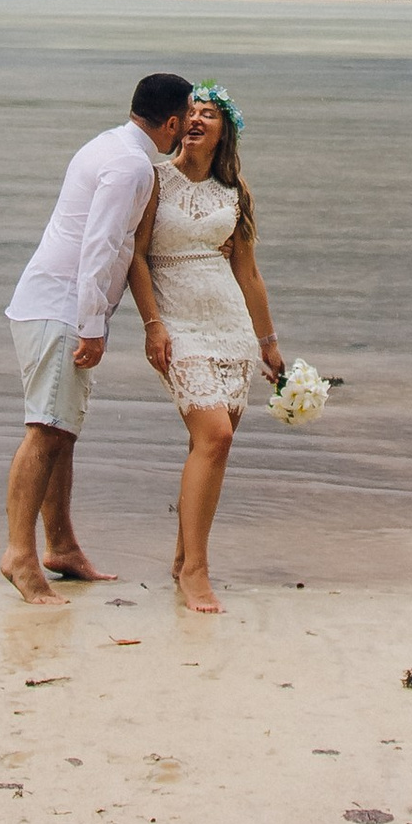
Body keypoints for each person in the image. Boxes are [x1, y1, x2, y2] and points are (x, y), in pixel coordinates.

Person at [2, 72, 193, 604]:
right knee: (45, 432)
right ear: (172, 122)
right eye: (187, 119)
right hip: (61, 308)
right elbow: (102, 247)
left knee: (61, 431)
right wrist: (91, 327)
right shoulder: (131, 166)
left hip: (49, 303)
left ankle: (59, 546)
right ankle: (19, 556)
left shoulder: (109, 145)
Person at [127, 80, 282, 615]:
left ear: (224, 132)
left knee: (211, 450)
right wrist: (152, 325)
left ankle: (180, 560)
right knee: (213, 436)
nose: (195, 119)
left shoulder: (234, 192)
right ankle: (197, 571)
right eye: (191, 111)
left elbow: (249, 272)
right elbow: (137, 256)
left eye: (209, 114)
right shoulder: (154, 181)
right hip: (177, 325)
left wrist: (268, 342)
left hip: (231, 327)